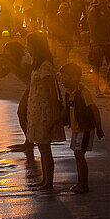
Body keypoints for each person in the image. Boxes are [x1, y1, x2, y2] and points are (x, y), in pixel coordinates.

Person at [25, 32, 64, 190]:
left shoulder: (46, 65)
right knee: (42, 146)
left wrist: (55, 113)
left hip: (45, 111)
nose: (27, 48)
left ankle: (49, 182)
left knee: (45, 147)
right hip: (37, 109)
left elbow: (52, 91)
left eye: (29, 44)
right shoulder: (37, 63)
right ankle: (45, 180)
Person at [59, 63, 104, 194]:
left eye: (65, 77)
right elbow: (66, 113)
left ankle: (83, 185)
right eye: (62, 77)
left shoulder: (83, 92)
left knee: (79, 155)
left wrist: (99, 128)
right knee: (77, 156)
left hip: (85, 129)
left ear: (74, 77)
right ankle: (80, 183)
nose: (62, 80)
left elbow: (94, 110)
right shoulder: (69, 93)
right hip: (76, 130)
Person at [0, 41, 34, 155]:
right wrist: (0, 63)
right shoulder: (14, 60)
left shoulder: (25, 58)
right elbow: (1, 75)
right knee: (23, 113)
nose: (6, 55)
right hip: (30, 87)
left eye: (8, 52)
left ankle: (29, 141)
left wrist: (7, 62)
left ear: (14, 52)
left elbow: (23, 72)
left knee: (21, 112)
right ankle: (29, 140)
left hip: (36, 87)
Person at [86, 0, 110, 96]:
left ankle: (108, 87)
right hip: (98, 43)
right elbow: (91, 28)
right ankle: (97, 89)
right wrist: (94, 43)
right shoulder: (94, 10)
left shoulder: (109, 9)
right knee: (96, 67)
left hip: (109, 42)